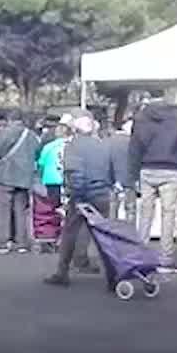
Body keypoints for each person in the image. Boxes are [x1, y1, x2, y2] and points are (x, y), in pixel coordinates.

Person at [44, 112, 114, 286]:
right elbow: (110, 171)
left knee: (70, 233)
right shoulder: (103, 145)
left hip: (82, 195)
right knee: (102, 236)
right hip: (101, 193)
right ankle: (113, 274)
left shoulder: (73, 147)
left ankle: (62, 272)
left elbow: (75, 173)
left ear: (75, 128)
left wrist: (74, 194)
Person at [130, 92, 177, 272]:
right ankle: (165, 258)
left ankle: (140, 255)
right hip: (170, 169)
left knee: (146, 213)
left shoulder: (141, 117)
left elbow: (134, 147)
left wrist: (133, 174)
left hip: (146, 169)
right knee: (168, 214)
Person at [0, 112, 41, 254]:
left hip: (6, 175)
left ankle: (4, 242)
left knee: (5, 210)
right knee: (21, 210)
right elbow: (37, 152)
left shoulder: (6, 133)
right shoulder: (31, 135)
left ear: (9, 120)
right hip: (24, 177)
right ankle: (22, 242)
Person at [34, 124, 69, 252]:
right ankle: (64, 235)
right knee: (67, 208)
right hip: (67, 180)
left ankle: (53, 235)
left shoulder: (49, 147)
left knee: (54, 208)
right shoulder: (72, 145)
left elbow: (41, 163)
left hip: (51, 180)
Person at [107, 117, 137, 225]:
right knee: (130, 208)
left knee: (112, 207)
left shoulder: (108, 141)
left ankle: (111, 233)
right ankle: (130, 233)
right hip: (129, 178)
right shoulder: (133, 142)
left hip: (112, 179)